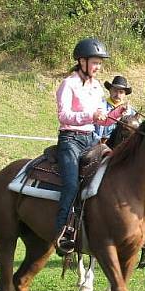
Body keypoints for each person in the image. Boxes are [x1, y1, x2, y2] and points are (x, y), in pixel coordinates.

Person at [54, 37, 109, 255]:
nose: (98, 67)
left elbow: (99, 118)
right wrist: (91, 115)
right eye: (95, 62)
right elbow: (63, 115)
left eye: (99, 63)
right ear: (82, 61)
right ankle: (62, 232)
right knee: (70, 185)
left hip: (91, 139)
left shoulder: (96, 87)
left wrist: (112, 116)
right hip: (70, 140)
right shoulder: (69, 84)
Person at [95, 75, 137, 140]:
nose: (118, 95)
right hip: (98, 142)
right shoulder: (99, 105)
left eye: (121, 92)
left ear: (125, 94)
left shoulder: (131, 112)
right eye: (115, 91)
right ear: (110, 91)